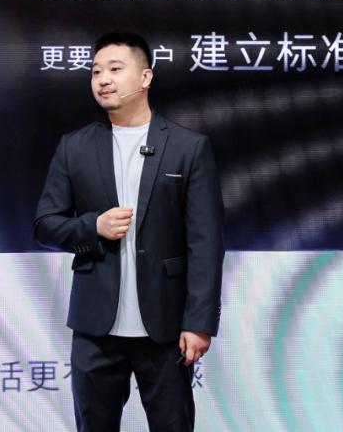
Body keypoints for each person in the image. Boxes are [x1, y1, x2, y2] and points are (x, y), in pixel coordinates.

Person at [34, 30, 225, 432]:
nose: (103, 79)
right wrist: (93, 226)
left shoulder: (188, 148)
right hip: (95, 330)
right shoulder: (74, 147)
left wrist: (199, 321)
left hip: (166, 329)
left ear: (145, 77)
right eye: (95, 71)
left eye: (115, 69)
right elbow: (46, 224)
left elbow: (206, 243)